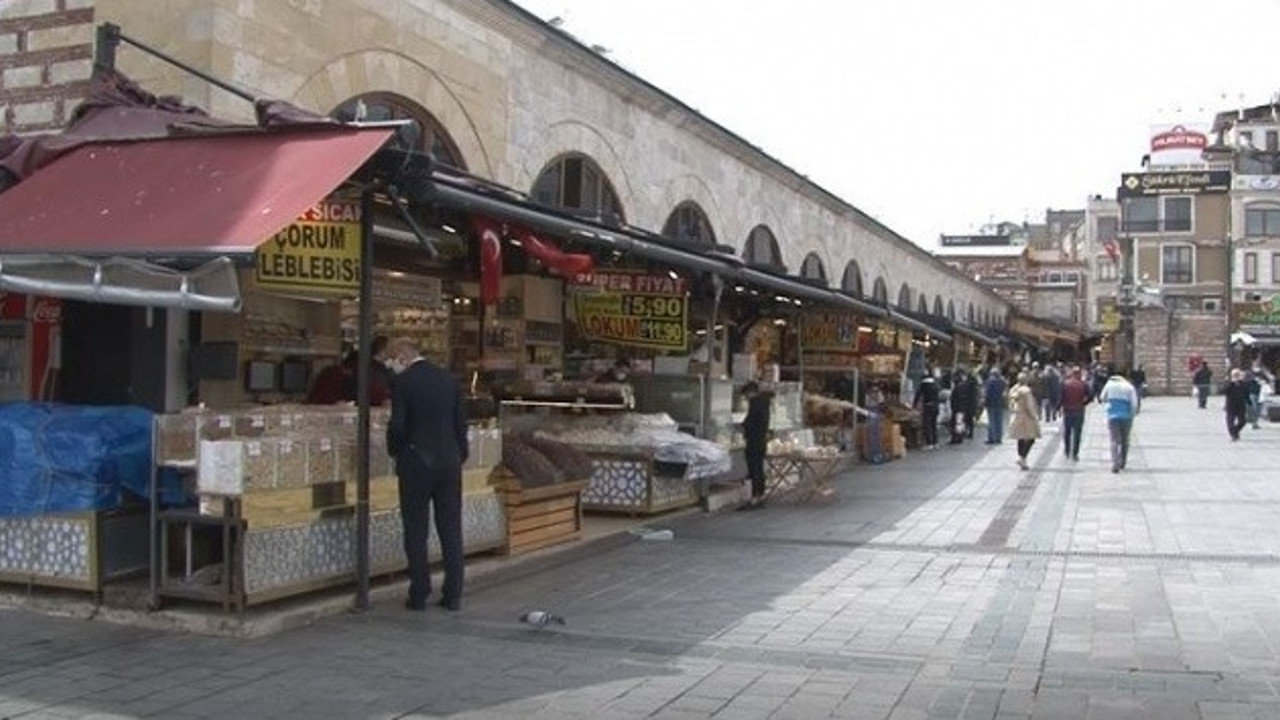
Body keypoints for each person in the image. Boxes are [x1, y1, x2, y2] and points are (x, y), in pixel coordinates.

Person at [385, 337, 469, 612]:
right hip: (449, 462)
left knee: (416, 529)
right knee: (451, 528)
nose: (390, 364)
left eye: (392, 358)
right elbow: (460, 422)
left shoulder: (404, 382)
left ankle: (419, 592)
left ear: (402, 355)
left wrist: (395, 450)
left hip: (416, 461)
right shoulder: (448, 379)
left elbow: (398, 425)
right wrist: (460, 454)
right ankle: (453, 594)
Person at [739, 381, 772, 510]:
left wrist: (744, 426)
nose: (746, 398)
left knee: (754, 469)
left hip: (754, 440)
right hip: (761, 440)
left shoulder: (755, 404)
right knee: (759, 469)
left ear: (751, 392)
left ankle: (754, 497)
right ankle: (760, 495)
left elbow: (752, 421)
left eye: (746, 395)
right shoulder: (765, 403)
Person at [1098, 370, 1139, 473]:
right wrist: (1133, 414)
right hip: (1126, 416)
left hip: (1112, 415)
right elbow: (1134, 404)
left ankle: (1114, 463)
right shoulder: (1129, 387)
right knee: (1125, 440)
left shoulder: (1109, 385)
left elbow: (1102, 398)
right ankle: (1122, 461)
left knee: (1114, 440)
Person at [1007, 371, 1040, 470]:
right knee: (1031, 438)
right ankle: (1023, 457)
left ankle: (1021, 458)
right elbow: (1029, 406)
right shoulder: (1026, 391)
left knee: (1020, 438)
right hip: (1027, 417)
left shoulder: (1015, 390)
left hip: (1017, 415)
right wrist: (1035, 416)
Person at [1060, 366, 1090, 462]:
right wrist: (1084, 403)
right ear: (1079, 374)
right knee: (1077, 433)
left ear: (1072, 374)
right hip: (1079, 410)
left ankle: (1067, 451)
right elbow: (1090, 396)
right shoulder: (1083, 384)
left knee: (1067, 432)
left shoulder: (1065, 384)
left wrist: (1060, 406)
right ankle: (1075, 454)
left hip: (1068, 410)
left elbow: (1061, 397)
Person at [913, 370, 940, 449]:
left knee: (927, 424)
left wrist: (914, 405)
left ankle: (929, 443)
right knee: (934, 424)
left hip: (928, 406)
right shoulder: (935, 385)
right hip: (936, 406)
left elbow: (918, 395)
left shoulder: (924, 385)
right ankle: (936, 442)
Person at [1224, 368, 1251, 441]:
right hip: (1231, 406)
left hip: (1241, 405)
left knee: (1243, 421)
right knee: (1230, 421)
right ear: (1232, 375)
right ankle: (1233, 435)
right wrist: (1231, 383)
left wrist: (1249, 402)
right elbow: (1224, 391)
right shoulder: (1228, 383)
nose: (1236, 376)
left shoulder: (1243, 384)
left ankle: (1235, 431)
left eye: (1237, 375)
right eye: (1235, 375)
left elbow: (1246, 393)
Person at [983, 368, 1007, 445]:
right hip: (1000, 403)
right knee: (999, 421)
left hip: (991, 403)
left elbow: (987, 393)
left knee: (991, 421)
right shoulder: (1002, 382)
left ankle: (991, 438)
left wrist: (985, 402)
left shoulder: (989, 381)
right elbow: (1005, 392)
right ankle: (998, 438)